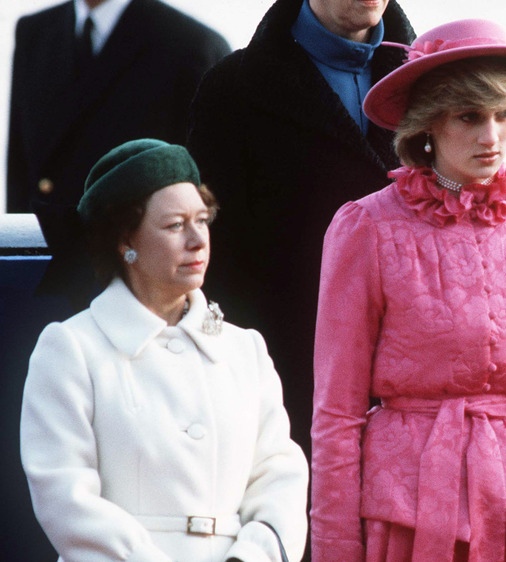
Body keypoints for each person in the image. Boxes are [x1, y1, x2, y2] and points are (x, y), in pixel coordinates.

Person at [311, 19, 506, 562]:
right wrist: (337, 553)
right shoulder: (366, 226)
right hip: (405, 514)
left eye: (504, 115)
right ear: (427, 124)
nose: (491, 136)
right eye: (469, 116)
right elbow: (336, 416)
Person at [20, 139, 309, 562]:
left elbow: (279, 476)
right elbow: (65, 498)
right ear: (125, 241)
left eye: (202, 220)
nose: (197, 240)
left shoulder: (244, 349)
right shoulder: (72, 349)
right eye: (174, 225)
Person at [186, 0, 415, 457]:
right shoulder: (233, 90)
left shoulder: (434, 82)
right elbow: (213, 262)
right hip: (287, 392)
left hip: (414, 399)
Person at [7, 0, 230, 307]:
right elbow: (21, 171)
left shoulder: (191, 46)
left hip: (135, 296)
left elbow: (200, 204)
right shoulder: (35, 31)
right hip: (42, 280)